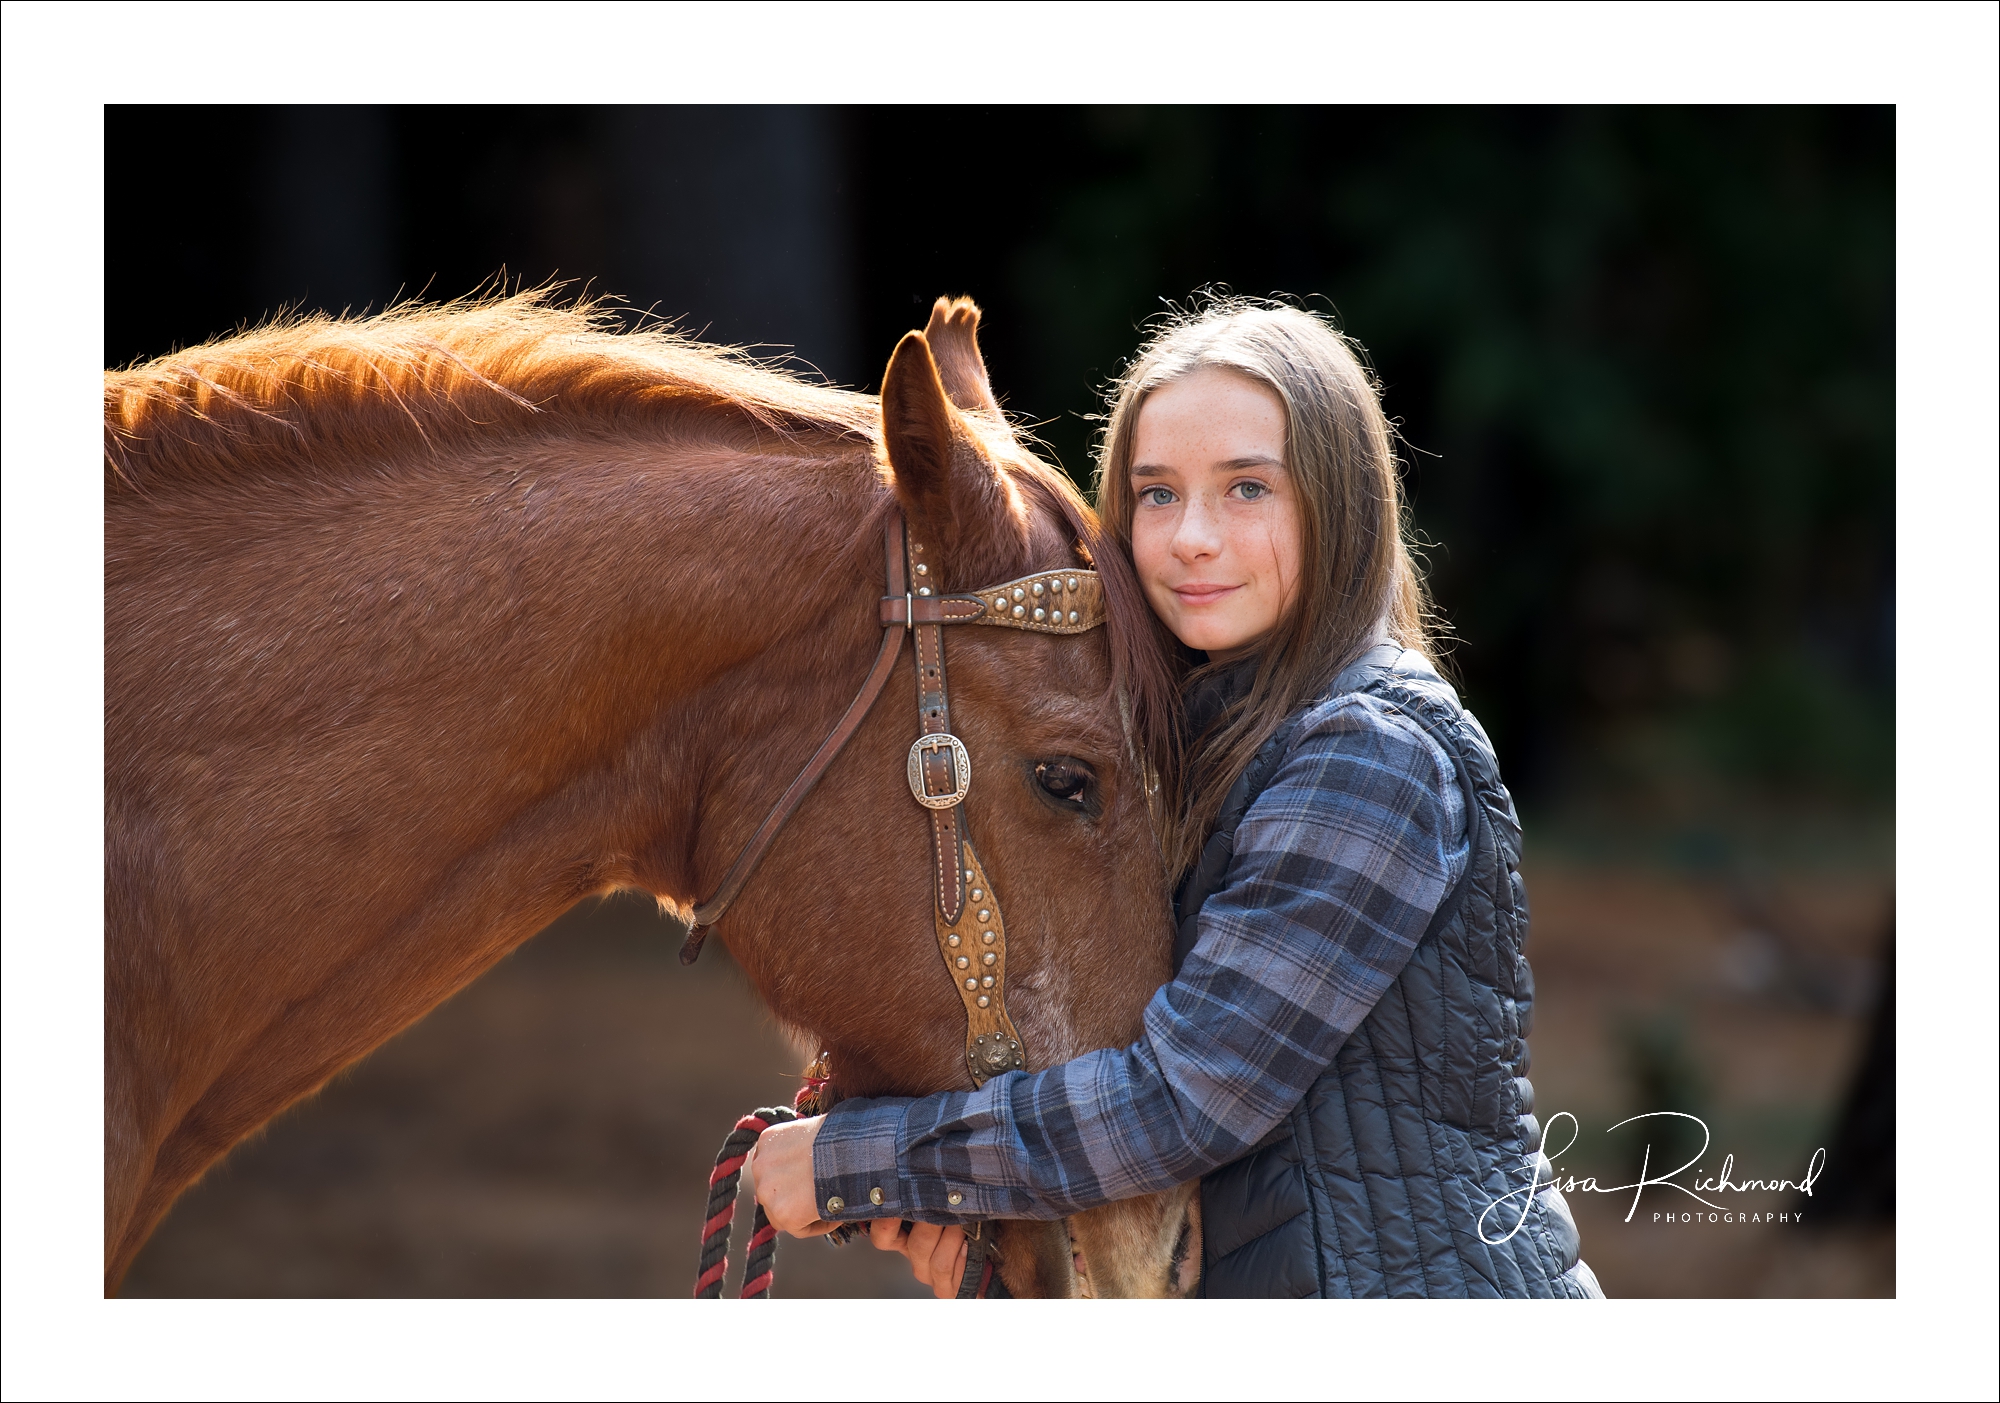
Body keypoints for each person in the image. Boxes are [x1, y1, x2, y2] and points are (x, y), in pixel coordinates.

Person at [750, 298, 1601, 1298]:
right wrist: (984, 1217)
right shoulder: (1201, 744)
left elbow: (1181, 1099)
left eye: (1246, 488)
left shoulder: (1368, 753)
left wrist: (856, 1159)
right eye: (1154, 495)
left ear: (1340, 504)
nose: (1192, 536)